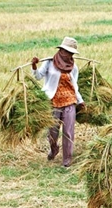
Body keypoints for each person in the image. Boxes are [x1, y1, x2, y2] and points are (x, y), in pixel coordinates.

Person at [31, 36, 85, 167]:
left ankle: (67, 159)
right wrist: (34, 66)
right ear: (61, 50)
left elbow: (74, 85)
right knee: (53, 131)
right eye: (67, 52)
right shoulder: (49, 63)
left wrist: (80, 100)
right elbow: (38, 77)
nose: (69, 55)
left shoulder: (74, 67)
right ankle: (54, 148)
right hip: (54, 102)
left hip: (70, 102)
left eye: (71, 53)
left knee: (68, 131)